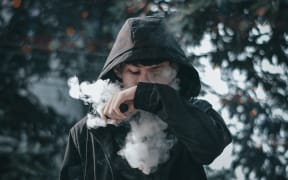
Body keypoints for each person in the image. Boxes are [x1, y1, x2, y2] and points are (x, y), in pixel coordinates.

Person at [60, 16, 232, 180]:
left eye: (156, 71)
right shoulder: (87, 131)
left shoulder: (195, 113)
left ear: (174, 70)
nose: (145, 81)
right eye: (134, 72)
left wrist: (149, 96)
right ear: (119, 72)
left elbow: (210, 147)